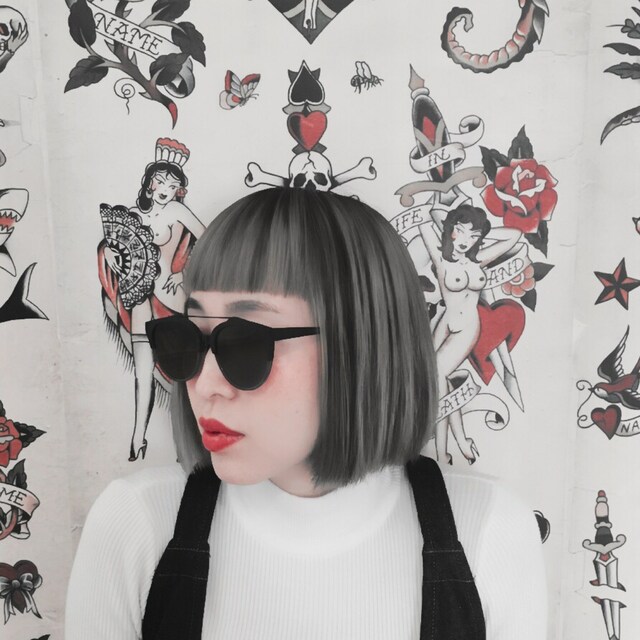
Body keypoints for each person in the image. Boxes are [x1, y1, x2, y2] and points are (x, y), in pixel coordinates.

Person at [66, 187, 547, 639]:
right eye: (189, 337)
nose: (204, 386)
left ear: (362, 347)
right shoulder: (137, 525)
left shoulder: (488, 530)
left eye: (245, 342)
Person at [98, 138, 206, 462]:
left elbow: (209, 239)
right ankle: (138, 437)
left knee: (184, 374)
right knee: (142, 371)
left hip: (171, 301)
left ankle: (191, 440)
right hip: (139, 299)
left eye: (173, 185)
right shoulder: (131, 215)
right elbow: (112, 244)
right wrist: (109, 253)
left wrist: (184, 274)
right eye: (161, 182)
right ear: (150, 183)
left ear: (178, 191)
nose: (166, 189)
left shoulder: (177, 211)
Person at [419, 193, 522, 466]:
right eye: (460, 231)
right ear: (450, 229)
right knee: (437, 380)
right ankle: (454, 445)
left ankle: (449, 447)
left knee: (439, 377)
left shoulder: (478, 260)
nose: (465, 240)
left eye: (473, 235)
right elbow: (424, 221)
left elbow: (514, 236)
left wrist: (483, 231)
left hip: (467, 327)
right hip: (446, 323)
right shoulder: (441, 259)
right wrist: (448, 220)